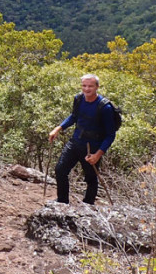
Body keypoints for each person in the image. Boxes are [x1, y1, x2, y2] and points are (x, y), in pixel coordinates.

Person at [48, 74, 117, 205]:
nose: (86, 89)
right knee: (60, 170)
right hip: (75, 142)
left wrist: (98, 155)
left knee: (91, 179)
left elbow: (110, 135)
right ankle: (62, 202)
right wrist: (58, 128)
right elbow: (74, 117)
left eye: (90, 86)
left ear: (97, 87)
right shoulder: (79, 99)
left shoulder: (105, 108)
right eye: (84, 86)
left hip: (93, 147)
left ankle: (88, 206)